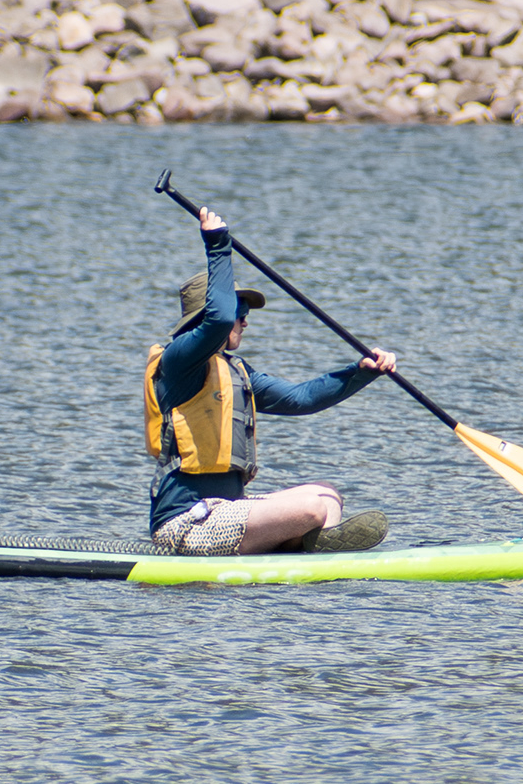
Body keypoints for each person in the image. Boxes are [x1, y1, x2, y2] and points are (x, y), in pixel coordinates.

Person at [143, 210, 394, 554]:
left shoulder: (234, 372)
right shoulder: (179, 362)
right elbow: (217, 321)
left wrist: (362, 371)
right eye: (239, 314)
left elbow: (300, 398)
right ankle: (305, 545)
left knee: (327, 495)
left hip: (228, 512)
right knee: (311, 509)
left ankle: (308, 546)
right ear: (209, 317)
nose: (245, 323)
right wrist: (217, 245)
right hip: (186, 525)